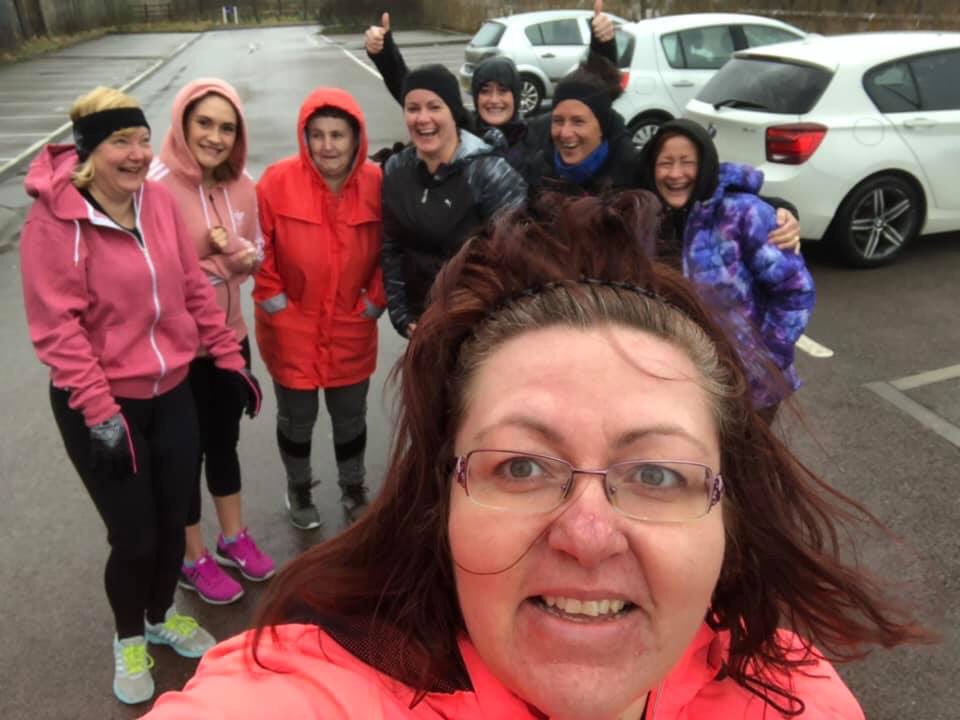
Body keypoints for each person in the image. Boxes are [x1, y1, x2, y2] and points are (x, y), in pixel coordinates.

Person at [143, 191, 926, 719]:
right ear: (439, 502)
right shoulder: (310, 693)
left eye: (657, 474)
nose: (587, 536)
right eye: (520, 466)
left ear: (731, 515)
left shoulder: (796, 695)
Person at [19, 86, 261, 705]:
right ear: (89, 152)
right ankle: (129, 637)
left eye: (143, 140)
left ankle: (159, 616)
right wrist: (102, 415)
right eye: (120, 142)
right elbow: (58, 330)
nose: (136, 154)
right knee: (135, 536)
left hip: (172, 389)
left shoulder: (155, 202)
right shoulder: (55, 220)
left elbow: (191, 285)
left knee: (174, 517)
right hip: (102, 403)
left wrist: (229, 359)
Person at [148, 78, 275, 606]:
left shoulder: (243, 185)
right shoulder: (154, 188)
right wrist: (224, 261)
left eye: (227, 128)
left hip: (230, 340)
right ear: (182, 123)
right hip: (175, 353)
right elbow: (158, 273)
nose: (215, 137)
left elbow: (257, 254)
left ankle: (233, 537)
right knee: (183, 455)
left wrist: (239, 253)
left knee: (224, 442)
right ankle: (191, 555)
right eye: (204, 123)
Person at [254, 87, 386, 531]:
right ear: (304, 136)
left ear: (356, 138)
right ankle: (299, 488)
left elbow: (392, 250)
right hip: (292, 327)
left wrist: (375, 301)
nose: (327, 146)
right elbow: (258, 246)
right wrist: (277, 304)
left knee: (350, 417)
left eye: (338, 135)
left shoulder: (377, 184)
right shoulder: (276, 182)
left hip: (351, 324)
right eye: (317, 135)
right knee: (297, 419)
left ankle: (353, 486)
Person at [641, 118, 816, 419]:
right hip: (682, 382)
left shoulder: (742, 214)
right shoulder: (647, 221)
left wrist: (763, 362)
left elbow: (796, 292)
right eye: (665, 163)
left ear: (706, 165)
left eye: (687, 162)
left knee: (745, 450)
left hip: (750, 388)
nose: (675, 173)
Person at [540, 56, 804, 251]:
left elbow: (711, 187)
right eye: (558, 121)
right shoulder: (540, 171)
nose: (565, 132)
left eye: (578, 121)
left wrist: (782, 212)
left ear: (602, 127)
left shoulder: (633, 170)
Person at [363, 1, 619, 183]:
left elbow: (589, 98)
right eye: (485, 91)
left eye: (503, 91)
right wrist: (384, 54)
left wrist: (602, 45)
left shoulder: (537, 132)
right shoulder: (463, 129)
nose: (494, 100)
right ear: (475, 97)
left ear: (516, 96)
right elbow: (416, 93)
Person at [380, 63, 526, 338]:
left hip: (478, 330)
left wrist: (473, 326)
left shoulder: (489, 173)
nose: (423, 118)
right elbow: (392, 248)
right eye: (413, 109)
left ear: (454, 112)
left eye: (434, 107)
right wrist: (402, 316)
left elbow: (514, 263)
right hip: (420, 329)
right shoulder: (396, 169)